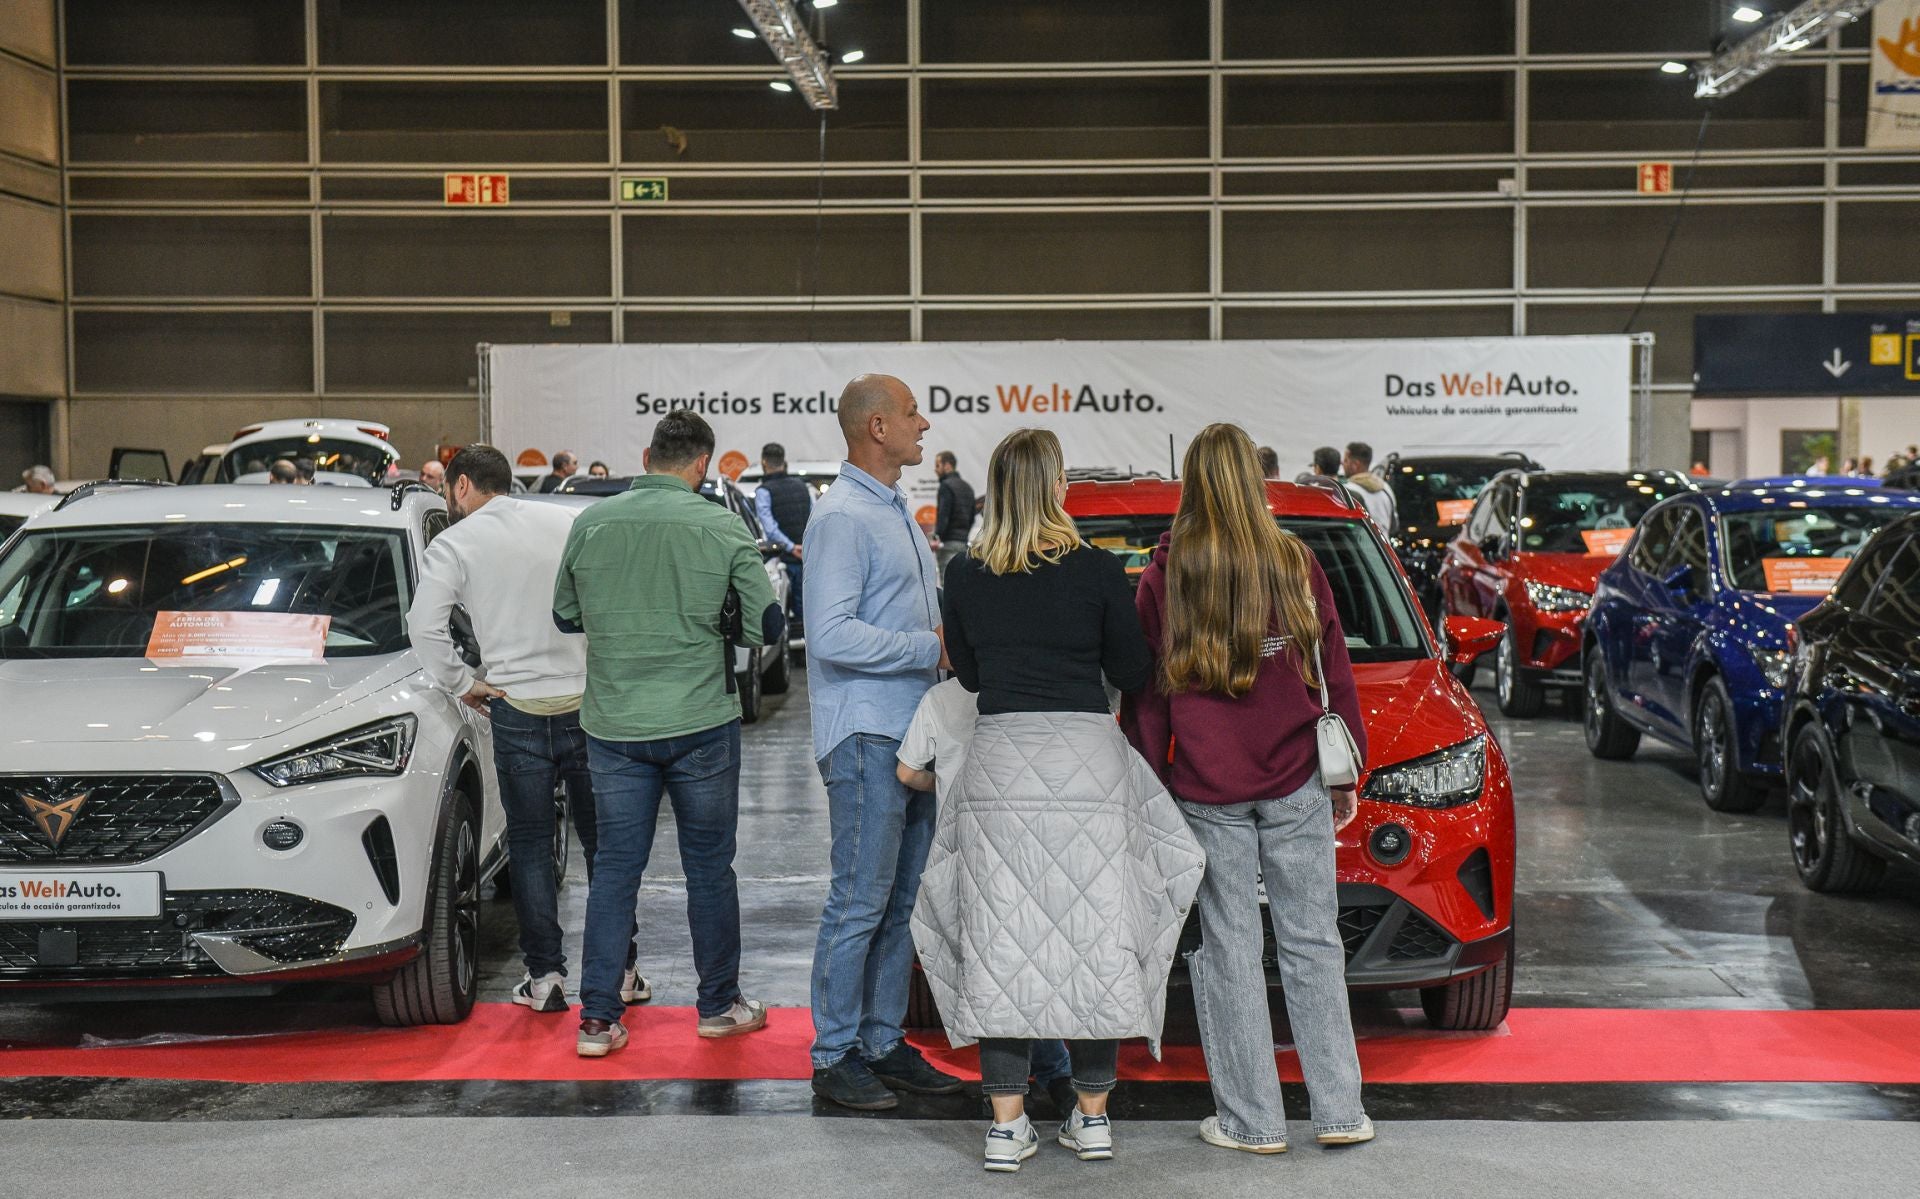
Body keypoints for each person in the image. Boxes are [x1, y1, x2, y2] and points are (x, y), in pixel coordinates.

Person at [920, 427, 1204, 1173]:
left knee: (1000, 942)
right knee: (1097, 936)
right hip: (1086, 764)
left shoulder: (967, 573)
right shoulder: (1097, 570)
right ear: (1055, 488)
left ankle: (1007, 1125)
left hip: (1001, 765)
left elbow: (972, 675)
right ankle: (1093, 1117)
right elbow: (1133, 667)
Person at [1123, 421, 1373, 1156]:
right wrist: (1347, 764)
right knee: (1313, 942)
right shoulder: (1295, 562)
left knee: (1229, 949)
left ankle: (1253, 1122)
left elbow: (1147, 699)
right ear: (1255, 482)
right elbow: (1335, 668)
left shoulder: (1168, 576)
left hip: (1206, 788)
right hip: (1297, 778)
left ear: (1192, 485)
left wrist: (1146, 782)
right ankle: (1339, 1111)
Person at [554, 411, 782, 1057]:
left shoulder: (589, 523)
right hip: (700, 723)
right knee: (709, 868)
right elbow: (766, 624)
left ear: (648, 454)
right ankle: (718, 1006)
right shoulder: (720, 526)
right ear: (702, 465)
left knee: (615, 870)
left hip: (614, 723)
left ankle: (597, 1019)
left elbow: (564, 613)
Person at [406, 445, 645, 1016]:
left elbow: (424, 625)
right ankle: (625, 973)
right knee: (605, 846)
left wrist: (463, 683)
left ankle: (546, 978)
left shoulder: (455, 543)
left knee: (532, 846)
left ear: (461, 486)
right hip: (589, 703)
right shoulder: (566, 519)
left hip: (515, 707)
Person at [804, 373, 964, 1111]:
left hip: (910, 733)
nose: (923, 424)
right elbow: (830, 636)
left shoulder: (889, 506)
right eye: (910, 413)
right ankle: (834, 1052)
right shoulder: (842, 516)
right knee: (860, 900)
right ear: (875, 426)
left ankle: (878, 1039)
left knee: (899, 901)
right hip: (867, 733)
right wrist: (927, 647)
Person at [894, 679, 1077, 1122]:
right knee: (1036, 966)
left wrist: (945, 782)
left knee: (987, 972)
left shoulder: (941, 698)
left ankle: (1006, 1091)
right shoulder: (1035, 692)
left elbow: (905, 772)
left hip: (965, 850)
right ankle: (1058, 1076)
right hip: (1030, 845)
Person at [752, 442, 812, 638]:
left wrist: (790, 547)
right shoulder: (803, 487)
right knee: (809, 611)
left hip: (781, 560)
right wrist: (804, 546)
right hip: (807, 559)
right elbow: (815, 519)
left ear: (763, 463)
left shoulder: (763, 491)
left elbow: (769, 528)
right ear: (784, 462)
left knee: (786, 613)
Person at [932, 450, 976, 579]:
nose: (935, 470)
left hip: (947, 545)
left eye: (937, 465)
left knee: (947, 584)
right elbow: (972, 517)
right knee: (962, 584)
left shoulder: (946, 486)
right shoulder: (968, 487)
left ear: (947, 465)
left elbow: (943, 515)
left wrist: (938, 536)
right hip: (963, 545)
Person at [1342, 441, 1397, 534]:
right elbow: (1394, 526)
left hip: (1361, 546)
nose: (1342, 464)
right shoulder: (1385, 487)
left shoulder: (1347, 490)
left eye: (1346, 460)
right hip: (1384, 547)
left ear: (1355, 465)